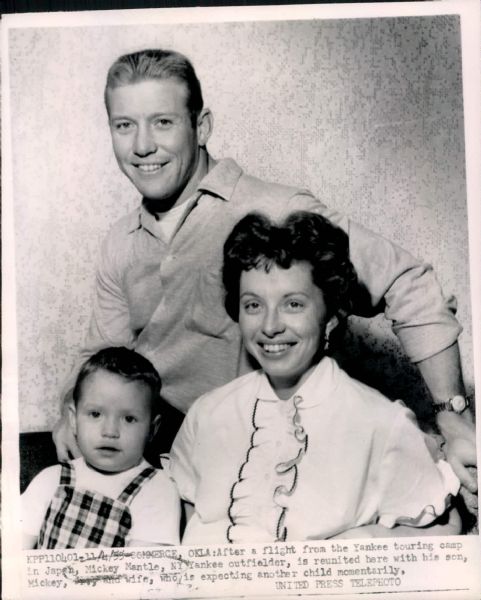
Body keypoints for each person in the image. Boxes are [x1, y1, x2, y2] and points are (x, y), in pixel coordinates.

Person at [52, 48, 476, 500]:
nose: (141, 146)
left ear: (201, 127)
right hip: (176, 464)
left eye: (162, 122)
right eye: (124, 126)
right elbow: (104, 355)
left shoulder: (274, 210)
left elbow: (407, 281)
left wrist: (452, 414)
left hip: (285, 459)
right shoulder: (120, 242)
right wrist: (69, 411)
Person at [170, 211, 461, 543]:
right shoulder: (206, 413)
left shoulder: (381, 422)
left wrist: (362, 540)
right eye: (253, 305)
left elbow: (444, 528)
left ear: (330, 314)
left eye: (293, 304)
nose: (269, 326)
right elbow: (180, 512)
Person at [22, 347, 180, 549]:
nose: (110, 431)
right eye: (95, 414)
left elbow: (146, 573)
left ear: (152, 429)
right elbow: (12, 552)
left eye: (129, 419)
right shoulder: (51, 480)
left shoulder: (157, 490)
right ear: (73, 419)